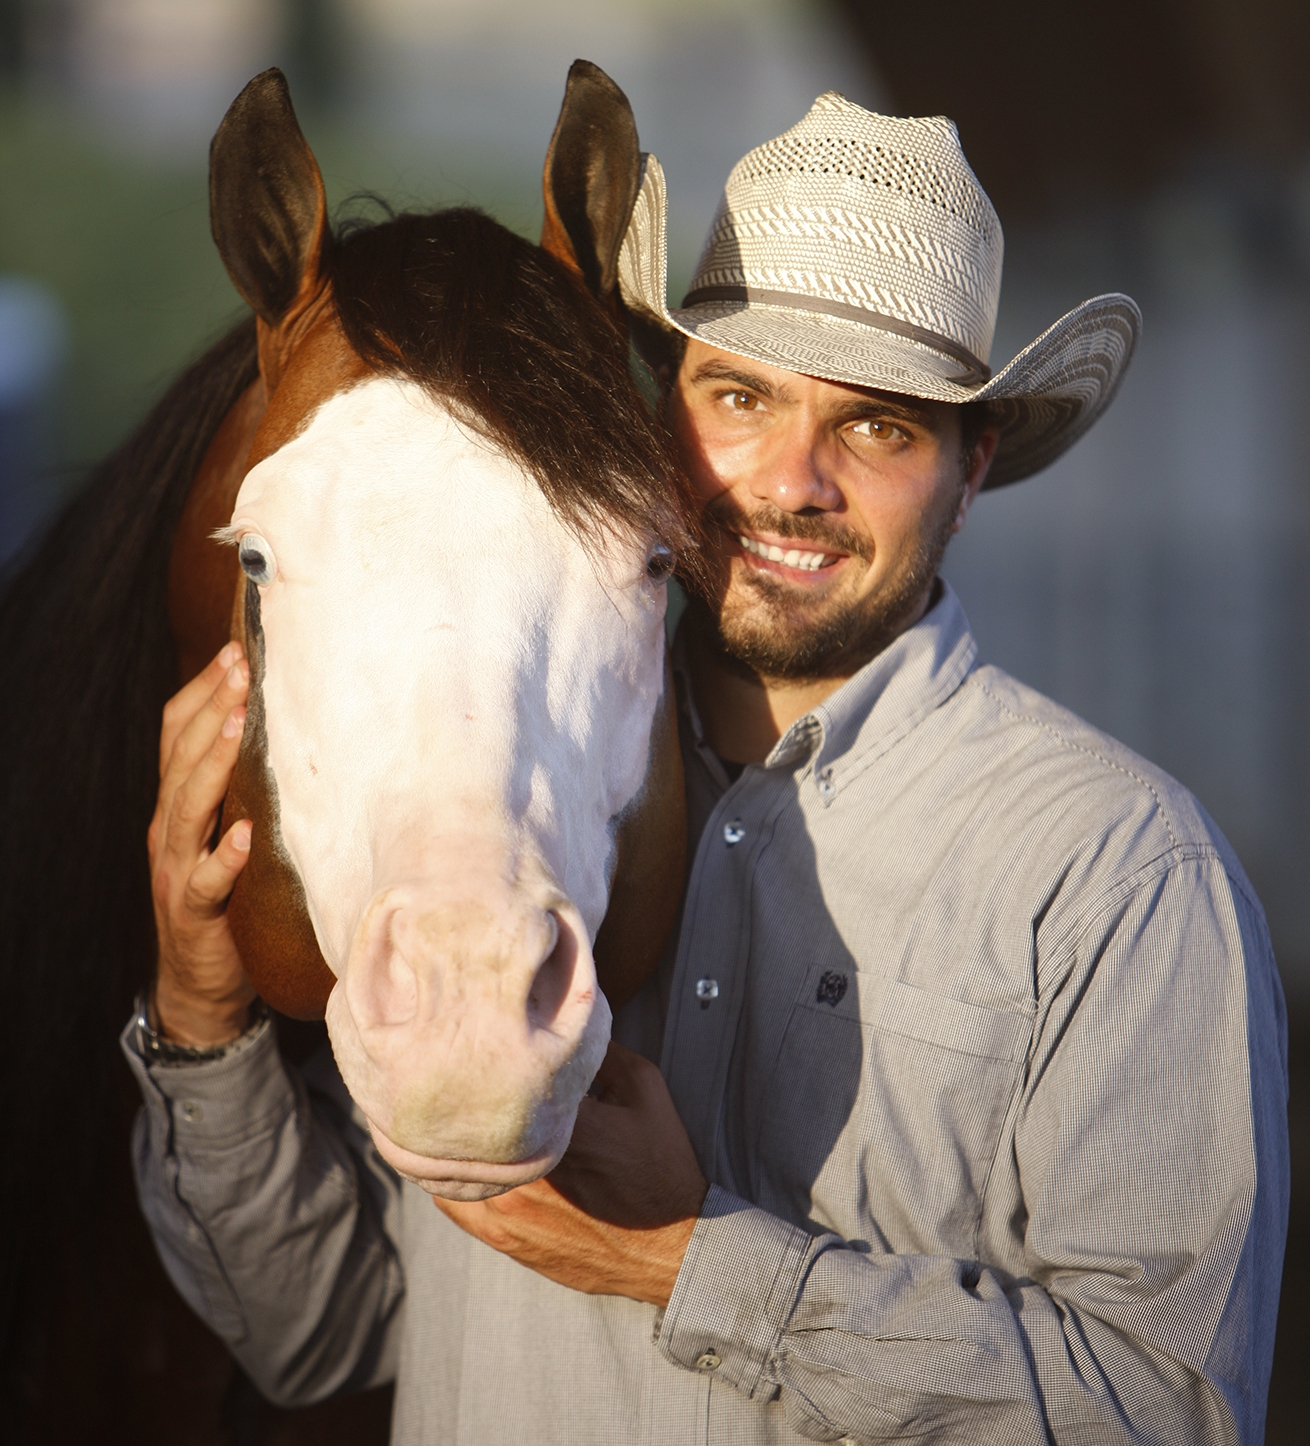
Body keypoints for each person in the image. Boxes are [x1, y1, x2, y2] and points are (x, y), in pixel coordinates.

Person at [127, 94, 1288, 1444]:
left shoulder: (1115, 871)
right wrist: (201, 1019)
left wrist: (694, 1261)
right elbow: (313, 1331)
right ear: (660, 414)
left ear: (970, 473)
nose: (789, 482)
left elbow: (1173, 1412)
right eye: (740, 396)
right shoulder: (500, 810)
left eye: (879, 429)